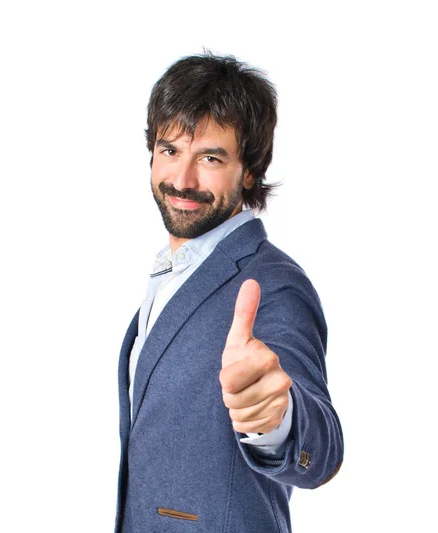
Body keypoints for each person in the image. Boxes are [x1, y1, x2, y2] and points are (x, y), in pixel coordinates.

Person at [115, 52, 343, 533]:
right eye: (170, 150)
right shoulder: (170, 272)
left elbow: (321, 449)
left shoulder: (274, 283)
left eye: (210, 158)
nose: (182, 179)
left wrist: (277, 418)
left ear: (250, 171)